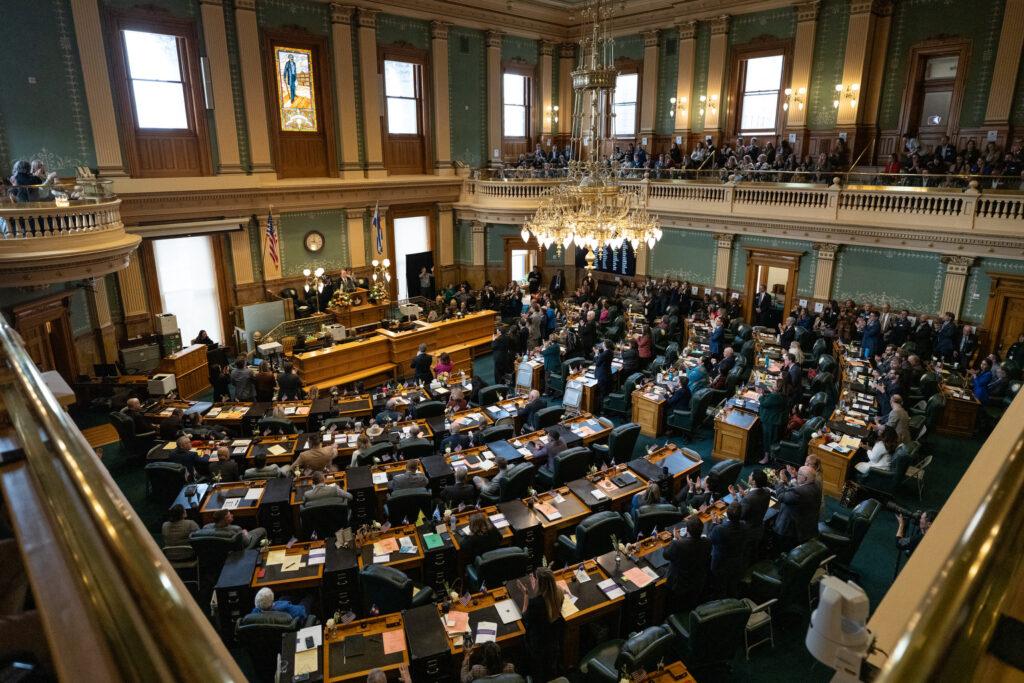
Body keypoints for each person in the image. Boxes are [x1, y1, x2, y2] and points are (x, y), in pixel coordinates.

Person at [516, 567, 565, 682]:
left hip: (538, 645)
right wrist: (537, 590)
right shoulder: (559, 592)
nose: (534, 581)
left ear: (540, 583)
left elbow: (525, 617)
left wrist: (526, 595)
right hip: (553, 641)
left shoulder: (536, 604)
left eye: (536, 579)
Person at [664, 516, 711, 614]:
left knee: (675, 609)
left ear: (687, 531)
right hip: (697, 582)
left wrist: (675, 540)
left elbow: (666, 555)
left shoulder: (677, 545)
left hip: (679, 585)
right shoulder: (707, 542)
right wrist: (680, 540)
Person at [772, 465, 822, 551]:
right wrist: (793, 476)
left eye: (799, 475)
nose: (797, 475)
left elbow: (781, 497)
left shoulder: (798, 492)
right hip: (808, 527)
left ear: (805, 479)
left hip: (791, 530)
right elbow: (796, 492)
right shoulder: (816, 487)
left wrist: (780, 482)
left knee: (781, 549)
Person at [731, 469, 771, 562]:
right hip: (759, 527)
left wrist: (735, 498)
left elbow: (739, 515)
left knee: (745, 555)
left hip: (748, 531)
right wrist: (744, 496)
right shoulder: (767, 491)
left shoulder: (749, 499)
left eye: (750, 475)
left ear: (753, 481)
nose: (748, 476)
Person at [708, 502, 747, 598]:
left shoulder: (719, 529)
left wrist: (714, 523)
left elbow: (710, 539)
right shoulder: (744, 525)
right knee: (731, 584)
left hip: (720, 564)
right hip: (736, 561)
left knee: (719, 587)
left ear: (727, 514)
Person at [758, 379, 787, 464]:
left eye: (774, 384)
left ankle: (767, 458)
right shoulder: (780, 395)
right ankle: (771, 456)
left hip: (771, 421)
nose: (772, 384)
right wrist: (771, 391)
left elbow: (764, 403)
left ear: (778, 387)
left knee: (768, 439)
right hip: (774, 421)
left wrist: (760, 395)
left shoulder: (775, 396)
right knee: (772, 439)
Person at [593, 339, 613, 406]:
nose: (602, 344)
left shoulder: (604, 354)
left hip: (602, 375)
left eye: (603, 343)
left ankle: (600, 408)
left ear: (605, 345)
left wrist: (596, 354)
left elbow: (597, 363)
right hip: (608, 373)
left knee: (601, 393)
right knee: (605, 392)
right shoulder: (610, 352)